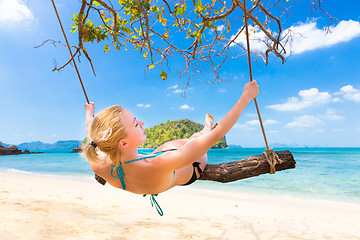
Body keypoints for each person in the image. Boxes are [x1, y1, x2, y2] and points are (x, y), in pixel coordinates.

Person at [83, 80, 259, 198]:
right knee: (194, 139)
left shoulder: (98, 162)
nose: (142, 123)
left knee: (170, 145)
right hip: (192, 167)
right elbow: (217, 135)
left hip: (154, 167)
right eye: (136, 124)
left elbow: (93, 135)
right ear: (123, 143)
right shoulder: (159, 164)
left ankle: (203, 129)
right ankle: (206, 126)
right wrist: (246, 97)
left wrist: (89, 113)